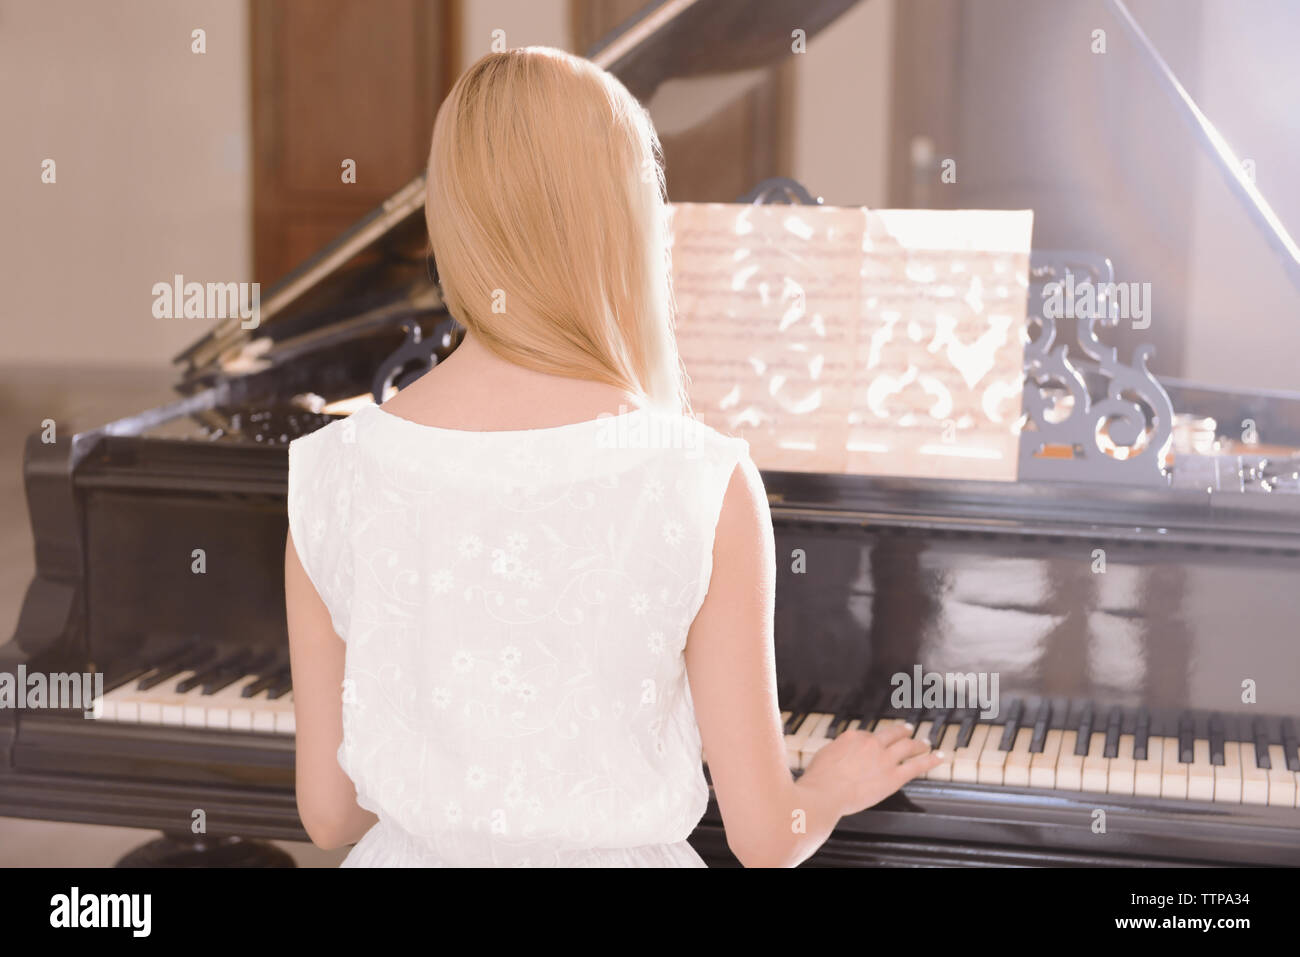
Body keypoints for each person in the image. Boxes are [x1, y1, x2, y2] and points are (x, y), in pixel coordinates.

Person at [284, 46, 946, 867]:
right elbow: (768, 838)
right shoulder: (701, 478)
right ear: (623, 222)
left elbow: (331, 817)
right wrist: (833, 787)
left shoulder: (330, 473)